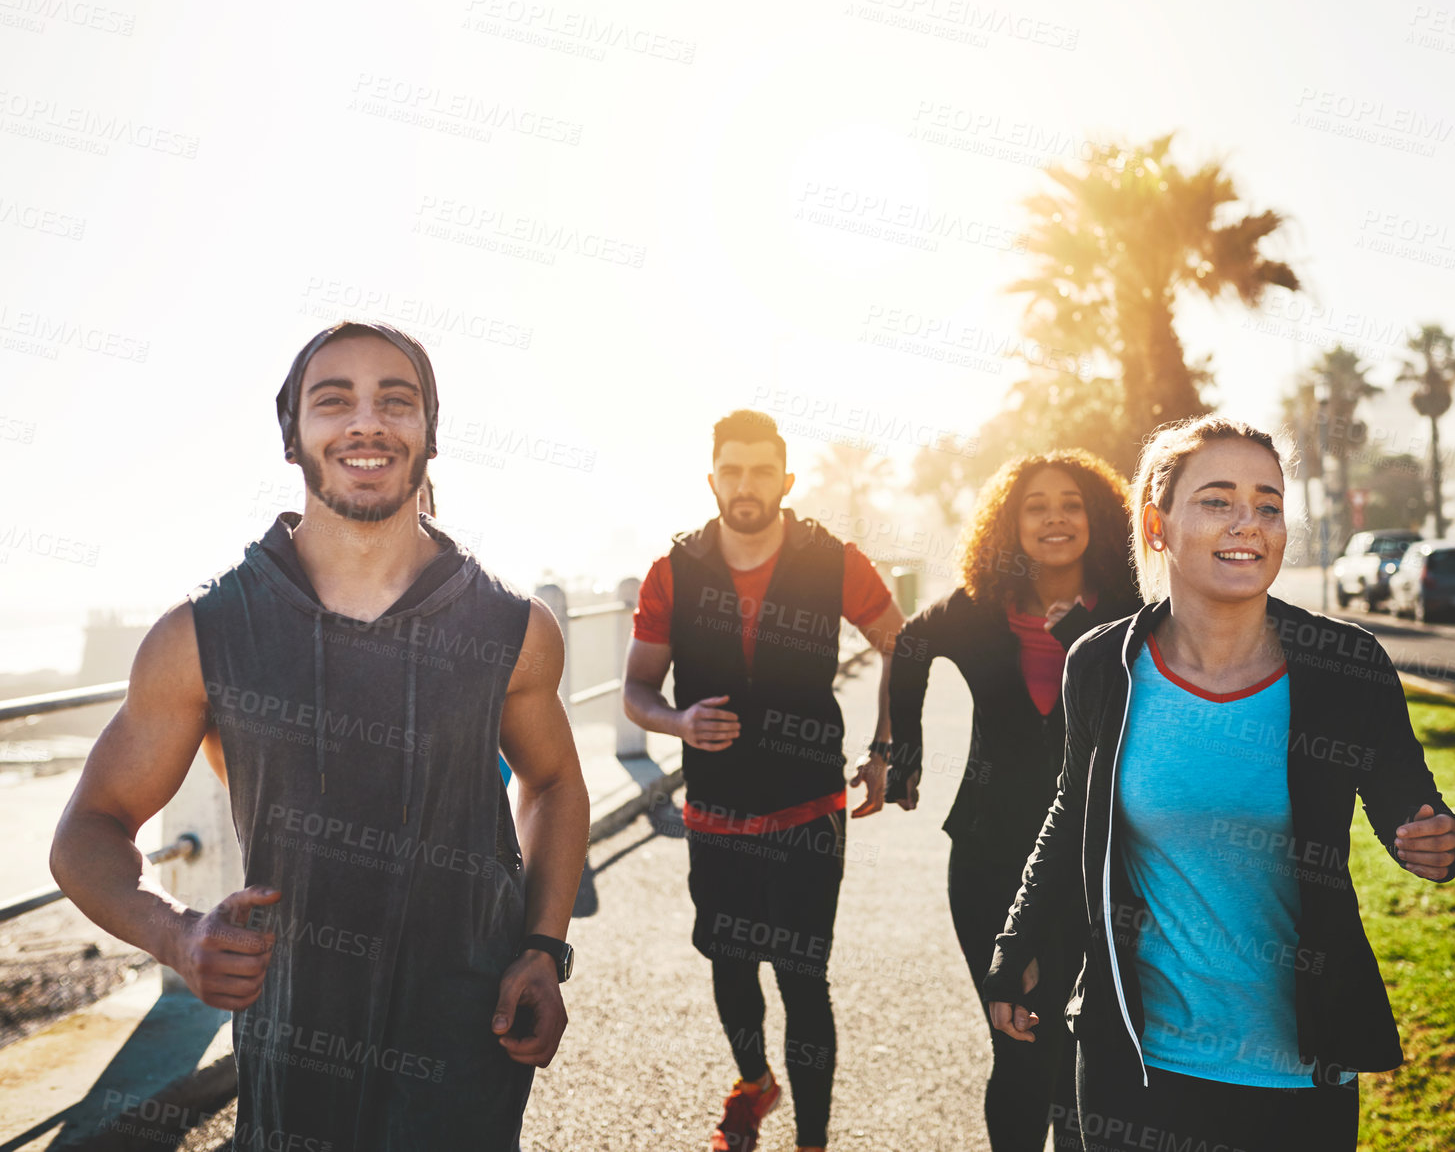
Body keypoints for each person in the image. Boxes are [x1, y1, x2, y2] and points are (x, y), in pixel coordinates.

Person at [51, 321, 590, 1151]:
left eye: (396, 401)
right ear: (293, 437)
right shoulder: (205, 634)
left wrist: (544, 949)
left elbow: (552, 782)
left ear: (430, 435)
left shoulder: (510, 626)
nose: (366, 423)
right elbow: (88, 830)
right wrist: (178, 934)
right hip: (296, 1046)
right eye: (333, 400)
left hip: (468, 1040)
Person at [983, 416, 1455, 1152]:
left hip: (1300, 1073)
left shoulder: (1346, 664)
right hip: (1136, 1067)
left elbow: (1409, 800)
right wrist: (1016, 941)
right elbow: (1073, 813)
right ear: (1158, 524)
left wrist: (1437, 839)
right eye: (1217, 500)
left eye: (1268, 504)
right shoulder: (1103, 666)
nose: (1250, 523)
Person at [623, 410, 905, 1152]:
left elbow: (900, 646)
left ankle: (812, 1141)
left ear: (785, 479)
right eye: (732, 470)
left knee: (803, 977)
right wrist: (678, 724)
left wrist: (884, 748)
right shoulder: (673, 571)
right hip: (716, 809)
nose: (745, 485)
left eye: (760, 471)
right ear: (713, 478)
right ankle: (754, 1084)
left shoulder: (833, 559)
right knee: (729, 961)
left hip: (809, 802)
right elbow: (638, 693)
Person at [886, 450, 1141, 1150]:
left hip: (1099, 866)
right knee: (1021, 1044)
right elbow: (909, 648)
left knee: (1082, 1053)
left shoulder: (1134, 613)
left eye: (1071, 503)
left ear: (1098, 519)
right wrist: (901, 756)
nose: (1054, 516)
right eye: (1035, 505)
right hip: (988, 858)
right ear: (1010, 522)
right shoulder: (976, 609)